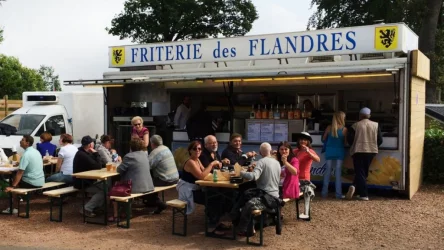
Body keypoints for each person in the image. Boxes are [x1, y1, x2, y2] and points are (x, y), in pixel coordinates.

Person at [236, 142, 281, 236]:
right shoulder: (277, 162)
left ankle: (243, 229)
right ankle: (253, 225)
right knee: (248, 196)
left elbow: (254, 176)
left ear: (260, 152)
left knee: (245, 202)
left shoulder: (262, 161)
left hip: (266, 198)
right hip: (276, 197)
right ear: (271, 151)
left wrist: (241, 173)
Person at [109, 139, 155, 222]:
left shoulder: (129, 156)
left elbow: (119, 170)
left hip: (136, 188)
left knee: (114, 191)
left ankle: (116, 215)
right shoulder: (144, 155)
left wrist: (120, 161)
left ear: (131, 147)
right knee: (125, 186)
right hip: (148, 185)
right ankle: (126, 212)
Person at [346, 107, 383, 201]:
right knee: (364, 172)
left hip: (358, 151)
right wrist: (374, 145)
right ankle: (357, 190)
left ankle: (363, 194)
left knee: (360, 172)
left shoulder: (355, 125)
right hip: (371, 151)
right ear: (369, 115)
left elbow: (350, 139)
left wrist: (352, 145)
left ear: (360, 115)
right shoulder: (376, 125)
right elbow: (380, 140)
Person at [3, 135, 45, 214]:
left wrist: (13, 186)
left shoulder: (26, 154)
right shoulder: (36, 152)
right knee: (16, 180)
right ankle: (19, 199)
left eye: (22, 140)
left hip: (32, 182)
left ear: (27, 143)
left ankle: (14, 207)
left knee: (15, 182)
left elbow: (20, 172)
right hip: (40, 181)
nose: (20, 141)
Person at [146, 135, 179, 214]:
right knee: (152, 181)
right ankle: (152, 202)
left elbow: (148, 166)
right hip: (175, 178)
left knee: (146, 187)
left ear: (152, 143)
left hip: (166, 180)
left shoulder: (155, 152)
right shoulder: (166, 148)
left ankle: (159, 204)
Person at [73, 135, 103, 217]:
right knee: (104, 191)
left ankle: (95, 207)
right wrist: (96, 153)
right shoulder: (82, 155)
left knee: (107, 187)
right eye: (93, 142)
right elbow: (98, 166)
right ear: (90, 145)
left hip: (86, 180)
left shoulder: (84, 153)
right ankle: (87, 209)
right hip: (82, 182)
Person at [321, 111, 347, 199]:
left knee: (327, 172)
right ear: (342, 118)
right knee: (338, 174)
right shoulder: (344, 129)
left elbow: (323, 139)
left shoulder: (329, 128)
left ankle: (324, 193)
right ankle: (338, 194)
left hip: (329, 151)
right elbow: (345, 142)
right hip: (339, 151)